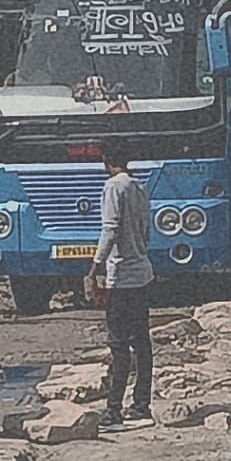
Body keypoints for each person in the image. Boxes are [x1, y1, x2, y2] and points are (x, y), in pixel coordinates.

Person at [85, 141, 155, 433]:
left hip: (122, 276)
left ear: (106, 161)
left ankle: (114, 408)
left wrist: (94, 267)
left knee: (118, 344)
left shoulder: (114, 187)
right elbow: (146, 232)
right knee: (141, 341)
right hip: (142, 273)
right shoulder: (139, 188)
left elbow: (110, 228)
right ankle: (141, 403)